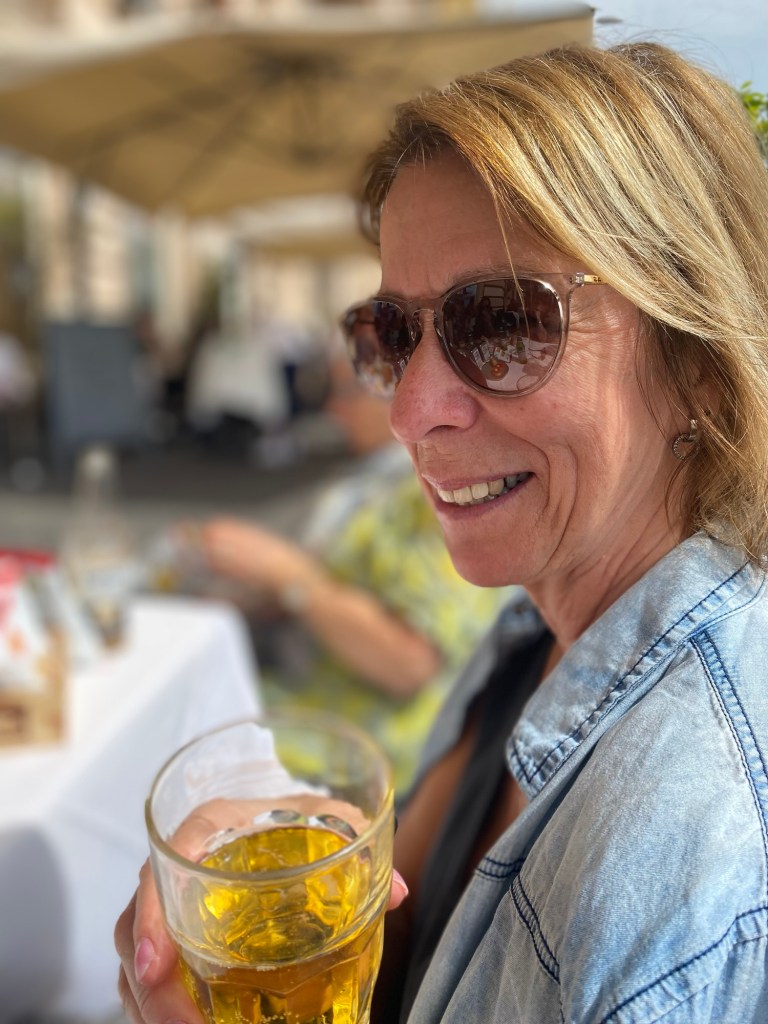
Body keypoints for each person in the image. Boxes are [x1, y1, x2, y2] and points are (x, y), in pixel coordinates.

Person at [115, 39, 768, 1023]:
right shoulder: (541, 625)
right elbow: (422, 937)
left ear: (701, 366)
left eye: (501, 324)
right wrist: (327, 874)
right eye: (392, 333)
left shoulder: (668, 870)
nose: (410, 410)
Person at [190, 356, 512, 793]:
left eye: (346, 392)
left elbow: (409, 663)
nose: (333, 409)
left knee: (176, 734)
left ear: (404, 389)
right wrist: (265, 589)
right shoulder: (378, 479)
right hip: (316, 699)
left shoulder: (437, 489)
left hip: (364, 744)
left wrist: (288, 575)